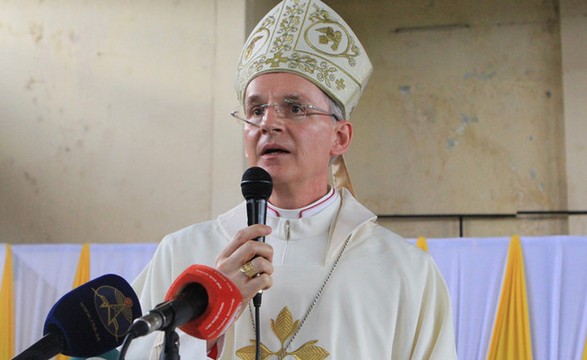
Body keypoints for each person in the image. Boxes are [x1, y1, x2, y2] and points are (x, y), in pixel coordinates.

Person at [127, 0, 457, 359]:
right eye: (255, 110)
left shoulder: (404, 272)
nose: (268, 123)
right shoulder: (182, 254)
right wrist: (209, 314)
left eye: (295, 107)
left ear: (340, 137)